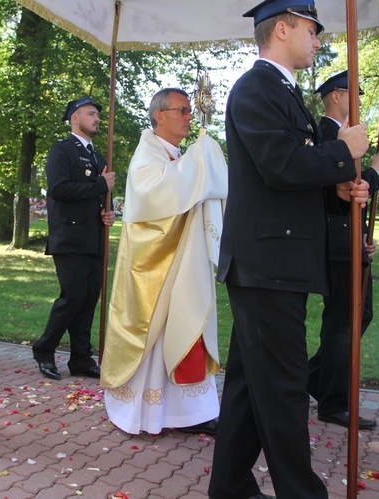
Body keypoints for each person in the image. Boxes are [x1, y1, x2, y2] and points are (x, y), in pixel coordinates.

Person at [208, 1, 372, 498]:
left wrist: (340, 187)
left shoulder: (282, 91)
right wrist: (344, 152)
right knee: (282, 390)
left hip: (273, 263)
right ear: (282, 28)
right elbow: (280, 164)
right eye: (311, 29)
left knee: (247, 388)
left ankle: (231, 488)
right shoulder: (257, 87)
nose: (318, 40)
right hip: (267, 265)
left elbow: (286, 177)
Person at [100, 88, 227, 435]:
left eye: (190, 110)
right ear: (159, 115)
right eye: (182, 110)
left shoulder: (175, 156)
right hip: (153, 274)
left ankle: (190, 413)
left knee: (187, 330)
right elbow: (158, 194)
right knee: (156, 339)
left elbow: (193, 189)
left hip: (184, 266)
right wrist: (199, 161)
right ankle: (147, 411)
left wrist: (197, 166)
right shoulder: (147, 156)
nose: (188, 116)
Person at [307, 70, 379, 431]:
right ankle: (333, 402)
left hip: (346, 239)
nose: (358, 101)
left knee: (356, 316)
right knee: (344, 322)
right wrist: (375, 171)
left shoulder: (339, 136)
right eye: (353, 93)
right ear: (336, 96)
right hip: (336, 242)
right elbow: (347, 187)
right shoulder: (329, 136)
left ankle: (315, 379)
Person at [32, 96, 115, 381]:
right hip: (69, 236)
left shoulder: (99, 157)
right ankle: (44, 349)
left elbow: (104, 196)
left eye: (98, 115)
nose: (97, 119)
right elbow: (59, 188)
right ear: (75, 118)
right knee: (74, 296)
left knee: (89, 298)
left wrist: (109, 213)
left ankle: (81, 357)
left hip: (94, 238)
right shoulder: (62, 150)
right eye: (91, 114)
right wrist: (99, 185)